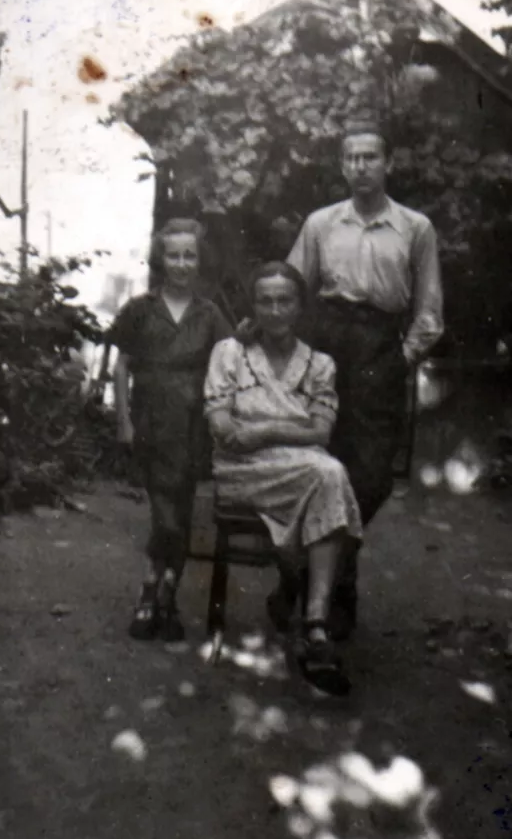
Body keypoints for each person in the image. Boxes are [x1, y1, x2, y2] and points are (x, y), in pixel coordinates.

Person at [286, 118, 444, 638]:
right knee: (318, 465)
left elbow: (428, 312)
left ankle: (318, 572)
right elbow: (290, 291)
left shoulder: (415, 228)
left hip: (380, 349)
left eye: (370, 157)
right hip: (326, 345)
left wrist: (400, 360)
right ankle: (332, 592)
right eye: (351, 158)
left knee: (371, 476)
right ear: (341, 164)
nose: (360, 167)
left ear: (388, 163)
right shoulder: (320, 224)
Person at [204, 261, 362, 696]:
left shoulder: (320, 365)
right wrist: (261, 434)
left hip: (302, 469)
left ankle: (311, 621)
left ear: (299, 307)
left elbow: (321, 432)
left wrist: (264, 429)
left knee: (326, 473)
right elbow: (221, 424)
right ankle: (313, 622)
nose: (275, 310)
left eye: (284, 301)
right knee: (329, 475)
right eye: (265, 301)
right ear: (253, 306)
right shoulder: (229, 354)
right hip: (244, 471)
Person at [109, 218, 231, 642]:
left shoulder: (210, 313)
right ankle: (155, 592)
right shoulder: (141, 309)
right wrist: (123, 419)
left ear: (199, 260)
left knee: (177, 512)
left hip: (194, 425)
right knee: (168, 516)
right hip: (151, 423)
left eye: (189, 255)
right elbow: (122, 365)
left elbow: (228, 366)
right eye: (174, 255)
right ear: (161, 259)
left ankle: (161, 594)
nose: (181, 263)